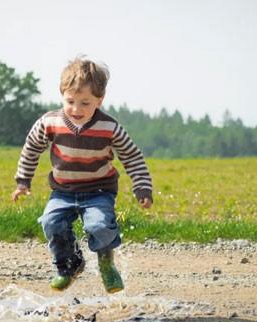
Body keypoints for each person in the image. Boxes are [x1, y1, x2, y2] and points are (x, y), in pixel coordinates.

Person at [12, 56, 153, 293]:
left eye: (85, 103)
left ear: (100, 100)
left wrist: (142, 188)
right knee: (51, 222)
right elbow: (31, 148)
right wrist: (23, 181)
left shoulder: (110, 128)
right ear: (62, 94)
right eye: (71, 101)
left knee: (99, 226)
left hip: (99, 191)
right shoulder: (50, 122)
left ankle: (106, 262)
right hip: (63, 191)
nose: (77, 109)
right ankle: (70, 264)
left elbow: (132, 157)